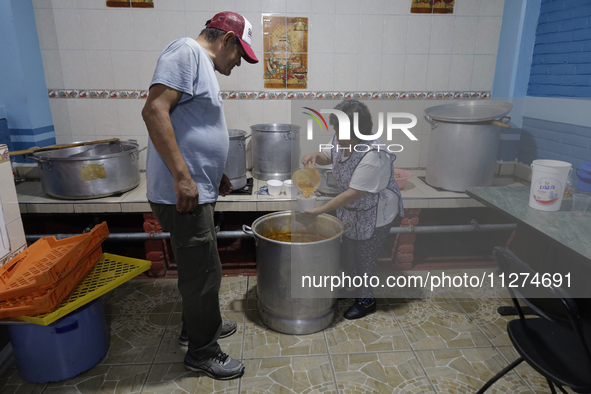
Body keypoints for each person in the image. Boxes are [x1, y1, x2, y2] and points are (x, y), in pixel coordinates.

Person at [141, 11, 258, 380]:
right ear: (225, 39)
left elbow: (192, 127)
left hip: (195, 188)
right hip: (182, 194)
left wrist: (210, 172)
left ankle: (196, 328)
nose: (239, 62)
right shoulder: (186, 52)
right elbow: (154, 110)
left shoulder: (201, 65)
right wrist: (183, 178)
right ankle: (202, 353)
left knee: (201, 270)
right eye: (239, 53)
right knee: (203, 274)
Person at [301, 99, 405, 320]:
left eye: (339, 129)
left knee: (365, 257)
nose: (336, 133)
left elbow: (353, 194)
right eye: (336, 128)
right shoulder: (342, 138)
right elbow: (329, 155)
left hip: (375, 212)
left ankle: (367, 300)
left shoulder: (373, 155)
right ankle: (350, 289)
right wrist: (314, 156)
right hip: (353, 210)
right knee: (348, 249)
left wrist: (319, 211)